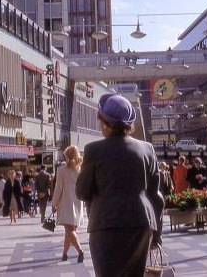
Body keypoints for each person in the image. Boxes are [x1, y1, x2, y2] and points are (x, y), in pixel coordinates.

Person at [75, 94, 163, 277]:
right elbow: (156, 196)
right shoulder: (147, 149)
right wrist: (157, 233)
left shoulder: (94, 150)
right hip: (141, 223)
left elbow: (82, 192)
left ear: (104, 122)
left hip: (106, 223)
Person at [52, 146, 85, 263]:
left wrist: (54, 203)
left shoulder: (61, 170)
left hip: (66, 202)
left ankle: (80, 251)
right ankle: (64, 254)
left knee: (69, 229)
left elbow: (58, 188)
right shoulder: (81, 169)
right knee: (70, 230)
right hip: (78, 201)